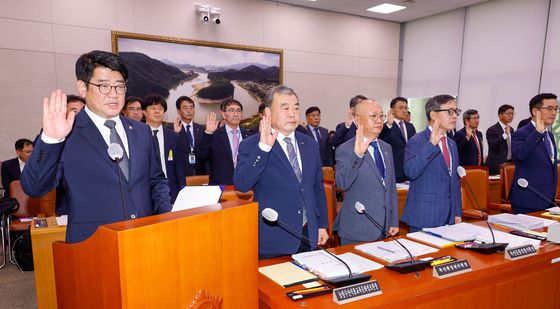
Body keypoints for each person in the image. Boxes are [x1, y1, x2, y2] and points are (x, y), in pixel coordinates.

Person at [21, 50, 171, 243]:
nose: (114, 95)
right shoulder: (66, 133)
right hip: (92, 247)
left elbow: (156, 180)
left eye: (119, 87)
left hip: (144, 239)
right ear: (83, 88)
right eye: (104, 86)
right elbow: (34, 187)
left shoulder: (141, 131)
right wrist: (51, 140)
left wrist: (165, 215)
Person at [234, 85, 328, 259]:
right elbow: (242, 183)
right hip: (274, 238)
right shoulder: (252, 145)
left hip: (308, 233)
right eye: (285, 108)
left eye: (296, 108)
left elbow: (317, 188)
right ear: (268, 113)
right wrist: (263, 149)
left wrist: (322, 224)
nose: (292, 113)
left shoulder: (309, 144)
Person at [335, 99, 398, 245]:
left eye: (381, 116)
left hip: (384, 227)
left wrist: (393, 220)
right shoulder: (345, 149)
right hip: (357, 229)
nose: (379, 120)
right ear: (357, 121)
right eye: (373, 116)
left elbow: (390, 187)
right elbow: (343, 183)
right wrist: (357, 156)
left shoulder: (386, 147)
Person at [402, 95, 462, 231]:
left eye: (456, 112)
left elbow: (454, 181)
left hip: (449, 217)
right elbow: (410, 172)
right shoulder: (417, 140)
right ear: (434, 114)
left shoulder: (452, 144)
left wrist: (457, 212)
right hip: (425, 216)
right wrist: (431, 145)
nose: (454, 116)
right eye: (450, 112)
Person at [509, 93, 558, 214]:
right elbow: (519, 154)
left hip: (547, 199)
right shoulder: (521, 133)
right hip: (528, 200)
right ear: (536, 111)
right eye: (549, 108)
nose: (554, 113)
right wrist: (537, 132)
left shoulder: (550, 135)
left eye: (556, 109)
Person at [142, 94, 186, 202]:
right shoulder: (136, 136)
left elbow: (179, 168)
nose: (157, 112)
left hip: (171, 191)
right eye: (153, 108)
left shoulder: (173, 136)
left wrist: (182, 192)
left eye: (160, 109)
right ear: (144, 112)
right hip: (145, 192)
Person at [199, 99, 252, 185]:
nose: (235, 114)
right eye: (231, 110)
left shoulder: (249, 136)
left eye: (238, 111)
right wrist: (208, 132)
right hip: (222, 186)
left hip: (246, 184)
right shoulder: (214, 135)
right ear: (223, 114)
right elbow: (201, 155)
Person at [379, 97, 417, 182]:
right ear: (392, 110)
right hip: (394, 171)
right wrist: (389, 125)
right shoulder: (386, 127)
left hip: (409, 171)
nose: (404, 110)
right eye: (400, 108)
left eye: (406, 108)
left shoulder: (410, 126)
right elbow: (381, 140)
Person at [174, 96, 207, 176]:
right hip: (181, 174)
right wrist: (176, 134)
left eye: (191, 107)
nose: (189, 111)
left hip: (200, 173)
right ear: (179, 111)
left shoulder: (200, 128)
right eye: (185, 108)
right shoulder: (172, 129)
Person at [486, 104, 515, 175]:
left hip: (510, 164)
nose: (511, 116)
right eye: (508, 113)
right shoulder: (492, 130)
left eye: (512, 114)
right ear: (500, 115)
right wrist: (505, 135)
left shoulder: (511, 129)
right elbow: (493, 145)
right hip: (497, 166)